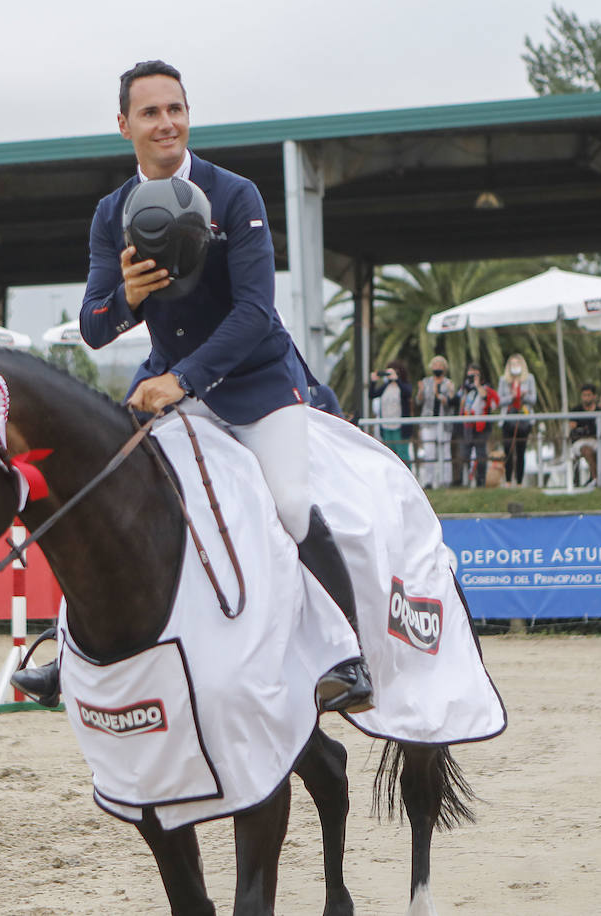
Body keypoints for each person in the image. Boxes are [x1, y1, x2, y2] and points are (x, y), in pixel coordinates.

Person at [49, 59, 371, 715]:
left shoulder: (236, 195)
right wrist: (126, 298)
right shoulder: (110, 214)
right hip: (169, 379)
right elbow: (94, 327)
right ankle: (69, 659)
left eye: (176, 109)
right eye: (150, 112)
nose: (166, 122)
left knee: (289, 504)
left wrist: (182, 381)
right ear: (124, 125)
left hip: (258, 382)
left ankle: (348, 656)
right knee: (105, 494)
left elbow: (254, 311)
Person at [414, 355, 455, 489]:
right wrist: (420, 391)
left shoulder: (448, 383)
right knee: (429, 451)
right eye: (435, 365)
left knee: (445, 450)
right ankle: (429, 481)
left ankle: (446, 481)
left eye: (440, 365)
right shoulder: (426, 382)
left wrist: (441, 395)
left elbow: (451, 402)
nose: (437, 368)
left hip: (444, 422)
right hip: (428, 421)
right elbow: (418, 401)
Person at [498, 353, 537, 488]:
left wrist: (523, 396)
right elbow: (499, 401)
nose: (515, 366)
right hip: (508, 419)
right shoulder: (503, 380)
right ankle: (508, 481)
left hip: (524, 419)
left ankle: (520, 482)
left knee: (521, 451)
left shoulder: (529, 378)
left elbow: (533, 400)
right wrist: (512, 396)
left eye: (517, 363)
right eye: (512, 364)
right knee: (508, 449)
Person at [459, 363, 499, 487]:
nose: (472, 376)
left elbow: (487, 398)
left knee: (481, 454)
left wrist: (477, 386)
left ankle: (480, 481)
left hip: (482, 427)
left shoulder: (485, 387)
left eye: (475, 373)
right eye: (470, 373)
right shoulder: (465, 388)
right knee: (465, 454)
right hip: (468, 426)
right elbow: (460, 404)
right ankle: (465, 481)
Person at [369, 361, 413, 464]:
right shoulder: (386, 386)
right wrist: (373, 382)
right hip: (386, 427)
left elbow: (407, 393)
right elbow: (372, 395)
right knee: (390, 456)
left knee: (403, 456)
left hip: (400, 428)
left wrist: (397, 380)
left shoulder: (404, 385)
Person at [569, 383, 600, 484]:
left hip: (596, 440)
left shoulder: (599, 410)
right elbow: (572, 427)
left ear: (594, 396)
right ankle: (595, 479)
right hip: (580, 441)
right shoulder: (576, 410)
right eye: (584, 395)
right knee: (587, 450)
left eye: (589, 395)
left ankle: (600, 476)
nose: (586, 398)